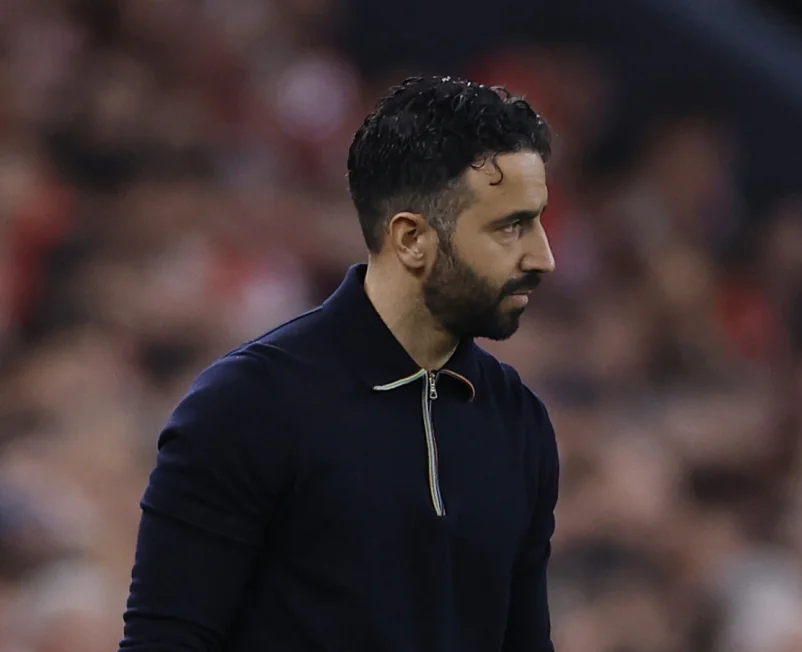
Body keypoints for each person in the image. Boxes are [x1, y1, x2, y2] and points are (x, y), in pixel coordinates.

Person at [118, 75, 559, 652]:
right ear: (410, 239)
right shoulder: (247, 404)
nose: (543, 257)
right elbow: (166, 640)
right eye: (510, 227)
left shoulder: (517, 419)